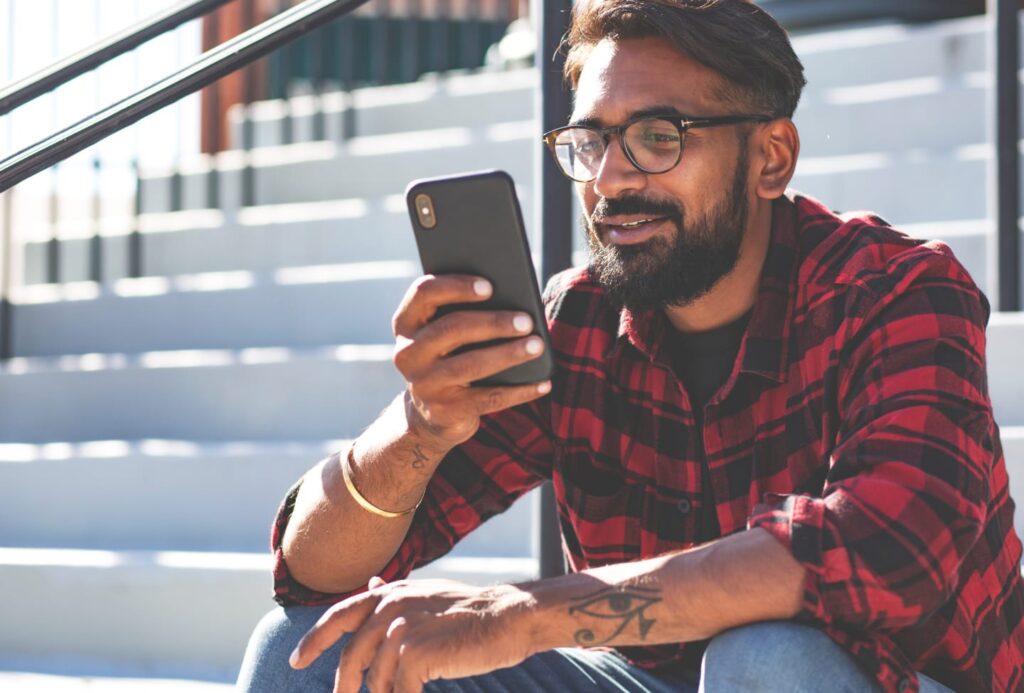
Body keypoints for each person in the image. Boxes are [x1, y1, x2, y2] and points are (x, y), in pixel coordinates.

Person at [237, 1, 1024, 691]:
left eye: (657, 136)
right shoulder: (576, 326)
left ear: (771, 158)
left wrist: (526, 614)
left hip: (876, 678)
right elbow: (312, 572)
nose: (610, 178)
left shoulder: (897, 292)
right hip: (649, 678)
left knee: (765, 660)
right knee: (306, 651)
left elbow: (884, 547)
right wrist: (419, 426)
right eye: (591, 140)